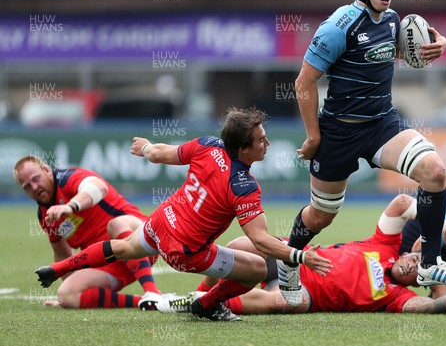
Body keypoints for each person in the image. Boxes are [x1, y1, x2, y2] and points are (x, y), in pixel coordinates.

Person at [280, 0, 446, 305]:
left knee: (434, 172)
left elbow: (396, 52)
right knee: (321, 216)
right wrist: (313, 136)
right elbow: (304, 81)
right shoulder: (339, 25)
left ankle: (429, 264)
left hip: (381, 124)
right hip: (339, 131)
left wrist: (437, 44)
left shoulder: (392, 20)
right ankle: (288, 258)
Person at [34, 107, 332, 321]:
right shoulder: (244, 185)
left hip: (161, 222)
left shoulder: (207, 144)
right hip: (184, 252)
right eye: (261, 140)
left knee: (124, 247)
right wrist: (301, 257)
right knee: (254, 268)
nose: (267, 143)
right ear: (243, 149)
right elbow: (262, 240)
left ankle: (55, 270)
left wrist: (146, 147)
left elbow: (159, 153)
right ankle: (207, 305)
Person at [155, 194, 446, 315]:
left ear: (417, 280)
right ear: (410, 252)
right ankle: (200, 297)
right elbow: (401, 204)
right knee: (242, 246)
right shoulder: (386, 244)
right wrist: (442, 229)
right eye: (415, 258)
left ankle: (207, 303)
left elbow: (426, 305)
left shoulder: (394, 297)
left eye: (417, 269)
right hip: (297, 257)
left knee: (285, 302)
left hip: (306, 293)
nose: (412, 264)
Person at [13, 156, 162, 310]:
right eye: (27, 186)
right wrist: (71, 287)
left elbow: (99, 187)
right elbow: (63, 255)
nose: (35, 187)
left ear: (46, 170)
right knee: (66, 295)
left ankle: (152, 291)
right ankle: (149, 302)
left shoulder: (67, 179)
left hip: (142, 241)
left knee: (116, 224)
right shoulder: (44, 214)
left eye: (36, 179)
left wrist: (71, 206)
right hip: (111, 262)